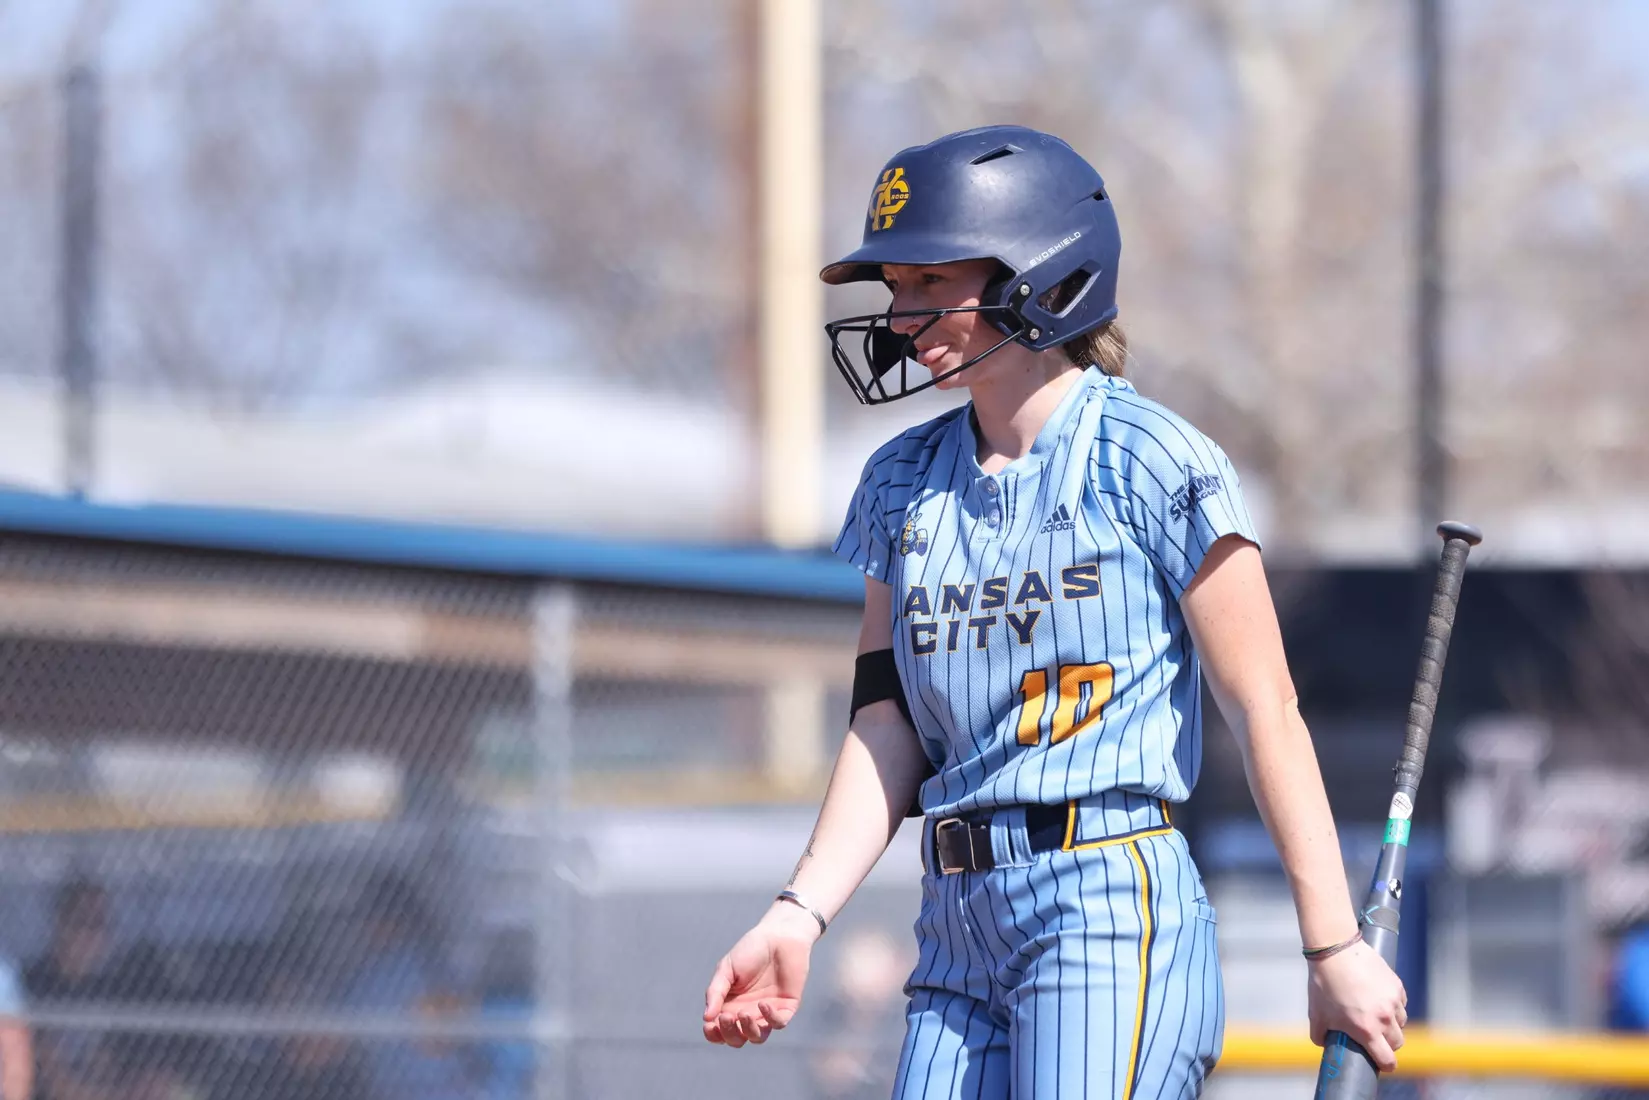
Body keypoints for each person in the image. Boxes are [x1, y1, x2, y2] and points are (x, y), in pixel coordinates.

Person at [702, 125, 1408, 1098]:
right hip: (952, 911)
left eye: (925, 283)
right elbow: (883, 725)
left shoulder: (1153, 457)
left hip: (1104, 896)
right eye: (892, 287)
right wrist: (797, 911)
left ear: (1039, 274)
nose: (899, 314)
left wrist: (1329, 943)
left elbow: (1264, 711)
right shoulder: (899, 480)